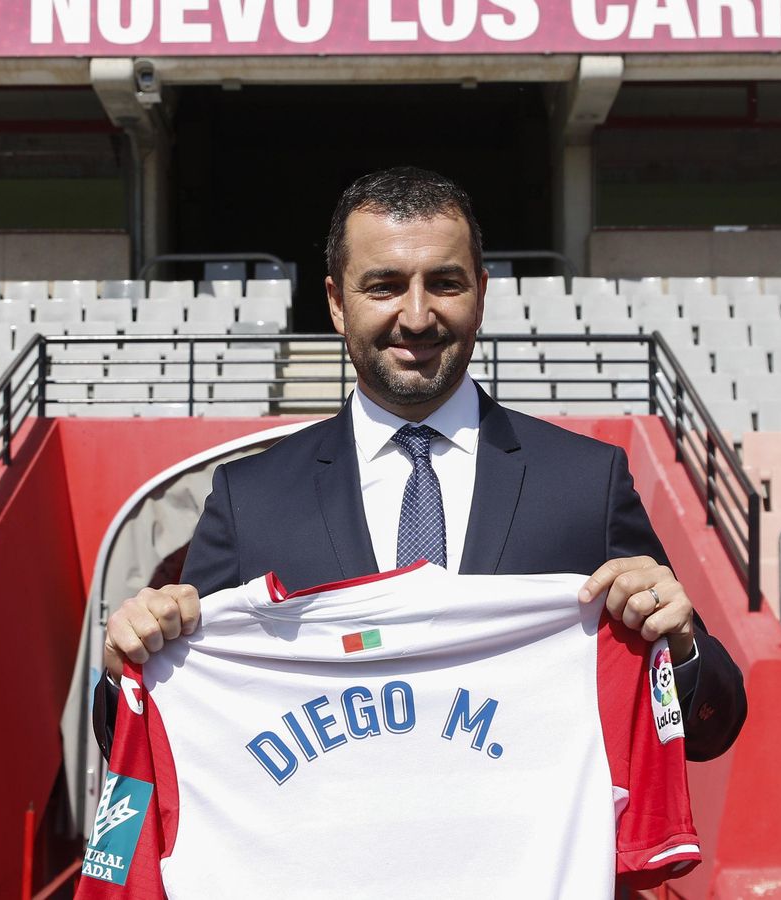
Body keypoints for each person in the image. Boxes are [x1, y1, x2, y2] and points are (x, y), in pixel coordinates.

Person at [99, 166, 745, 761]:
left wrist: (679, 648)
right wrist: (128, 663)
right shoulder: (251, 498)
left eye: (444, 283)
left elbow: (708, 729)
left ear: (481, 293)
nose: (416, 315)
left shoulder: (585, 482)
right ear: (334, 302)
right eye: (384, 286)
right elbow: (163, 732)